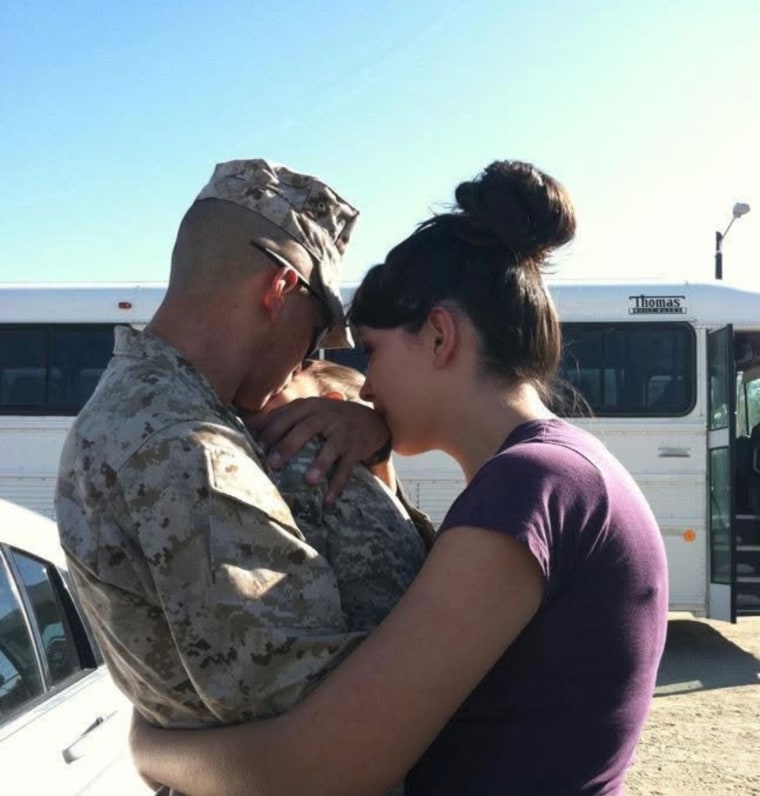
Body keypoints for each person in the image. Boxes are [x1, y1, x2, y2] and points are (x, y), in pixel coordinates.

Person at [130, 159, 669, 795]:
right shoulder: (563, 470)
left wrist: (152, 745)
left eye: (373, 353)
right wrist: (380, 439)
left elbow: (320, 772)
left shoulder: (528, 489)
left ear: (439, 336)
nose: (366, 384)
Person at [55, 158, 397, 728]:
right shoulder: (183, 446)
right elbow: (323, 714)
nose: (308, 362)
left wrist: (376, 441)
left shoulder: (181, 409)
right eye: (314, 335)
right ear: (280, 290)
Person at [241, 359, 431, 631]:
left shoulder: (304, 465)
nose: (262, 392)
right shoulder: (377, 491)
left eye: (284, 384)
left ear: (332, 405)